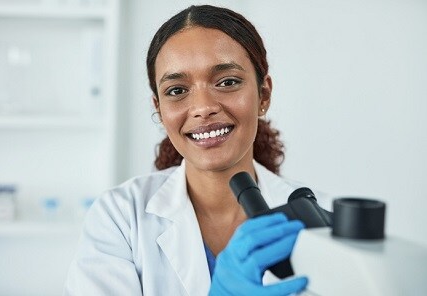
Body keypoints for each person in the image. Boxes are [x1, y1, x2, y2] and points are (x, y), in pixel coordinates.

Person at [64, 4, 330, 296]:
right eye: (177, 90)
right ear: (159, 108)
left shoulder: (324, 219)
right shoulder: (120, 217)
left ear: (263, 94)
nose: (203, 107)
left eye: (227, 82)